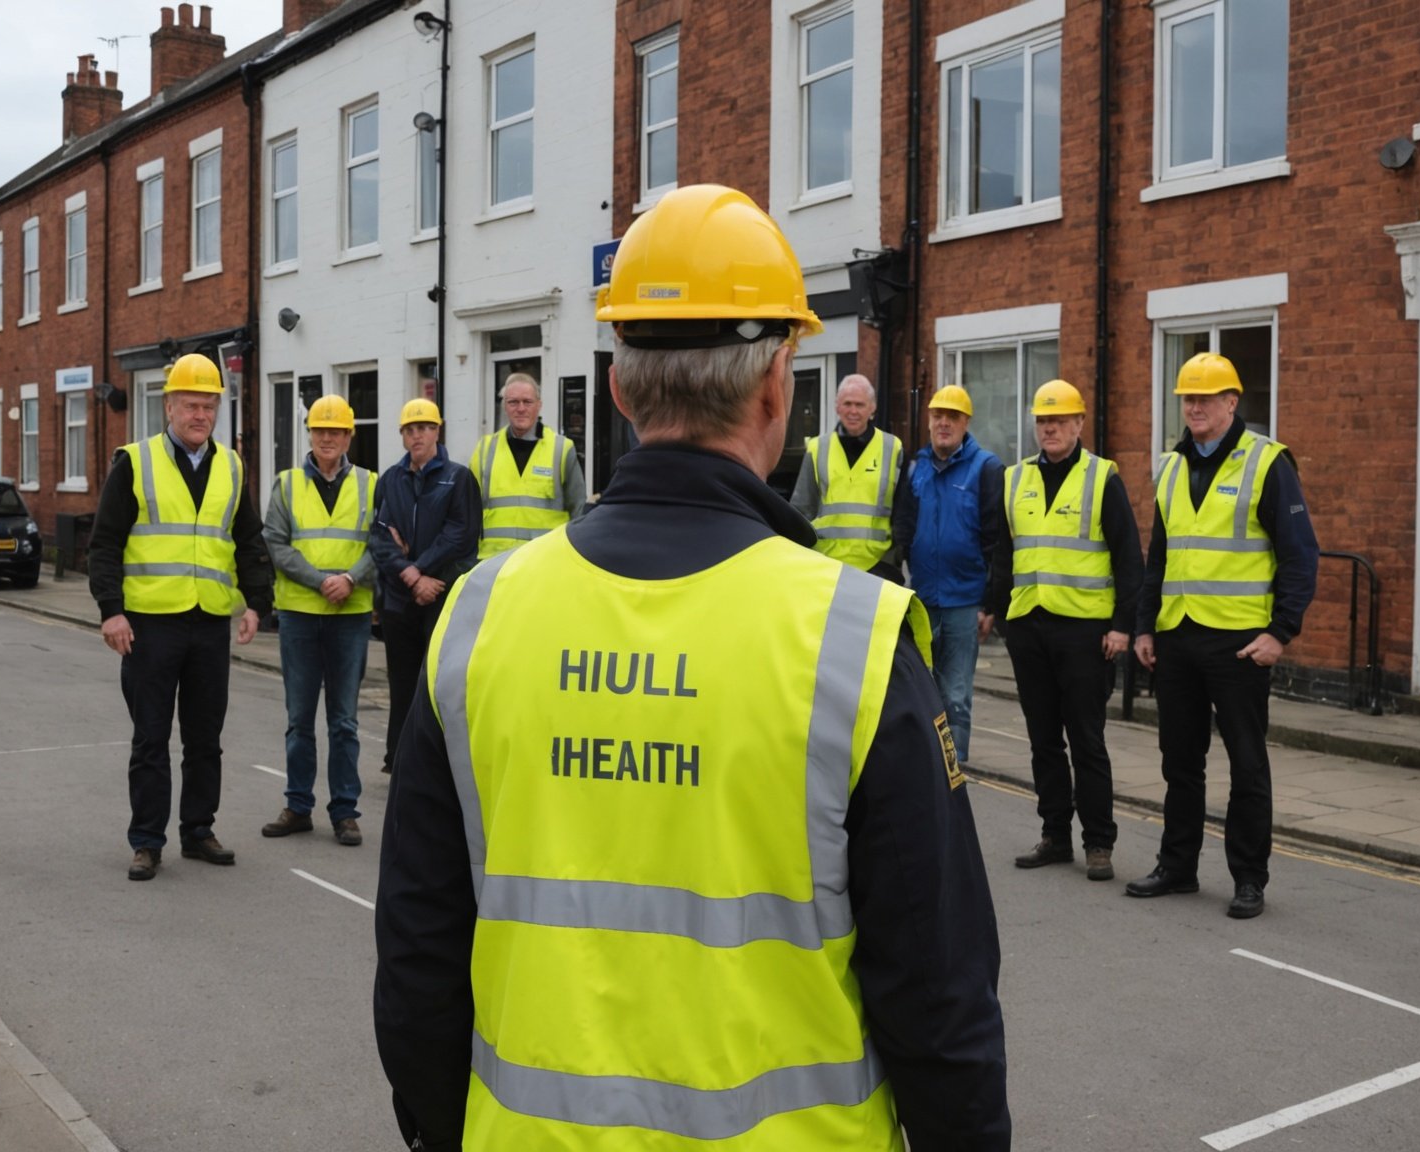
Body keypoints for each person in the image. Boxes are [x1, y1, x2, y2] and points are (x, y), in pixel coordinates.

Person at [374, 184, 1009, 1151]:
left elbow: (418, 953)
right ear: (777, 388)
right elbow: (941, 995)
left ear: (621, 390)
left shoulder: (474, 621)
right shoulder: (856, 640)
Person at [1129, 352, 1318, 920]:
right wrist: (1145, 625)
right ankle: (1178, 866)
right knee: (1180, 763)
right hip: (1177, 636)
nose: (1195, 408)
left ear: (1232, 402)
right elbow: (1159, 557)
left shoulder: (1267, 462)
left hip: (1240, 644)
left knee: (1246, 763)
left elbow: (1300, 555)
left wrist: (1281, 633)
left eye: (1206, 398)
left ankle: (1249, 878)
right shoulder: (1171, 466)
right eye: (1188, 398)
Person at [87, 353, 273, 882]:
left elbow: (248, 539)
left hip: (209, 622)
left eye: (209, 406)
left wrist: (257, 603)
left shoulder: (231, 466)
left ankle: (198, 830)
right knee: (150, 738)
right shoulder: (135, 462)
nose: (200, 415)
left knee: (205, 738)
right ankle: (147, 841)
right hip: (150, 624)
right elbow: (105, 543)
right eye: (191, 405)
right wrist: (111, 611)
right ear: (168, 406)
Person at [985, 380, 1143, 882]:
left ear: (1078, 423)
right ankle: (1055, 835)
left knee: (1086, 740)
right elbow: (1003, 552)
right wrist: (997, 611)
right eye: (1042, 421)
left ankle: (1099, 843)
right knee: (1043, 740)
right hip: (1028, 629)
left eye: (1058, 420)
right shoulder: (1014, 479)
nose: (1049, 429)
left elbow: (1128, 557)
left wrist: (1122, 627)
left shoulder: (1102, 479)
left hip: (1084, 633)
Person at [261, 395, 376, 847]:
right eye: (320, 430)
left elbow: (382, 544)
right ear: (309, 434)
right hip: (299, 616)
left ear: (349, 436)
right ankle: (298, 806)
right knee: (299, 719)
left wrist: (350, 579)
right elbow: (275, 543)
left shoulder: (370, 484)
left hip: (351, 616)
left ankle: (345, 812)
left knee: (344, 722)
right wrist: (321, 580)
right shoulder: (287, 484)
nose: (327, 438)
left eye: (336, 431)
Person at [896, 384, 1004, 766]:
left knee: (956, 695)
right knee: (921, 692)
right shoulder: (915, 467)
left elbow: (996, 541)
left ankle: (954, 771)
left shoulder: (987, 468)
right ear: (928, 421)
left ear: (966, 423)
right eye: (937, 416)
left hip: (965, 603)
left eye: (952, 417)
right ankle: (928, 769)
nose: (944, 423)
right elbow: (904, 528)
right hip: (923, 600)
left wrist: (989, 604)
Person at [369, 398, 479, 775]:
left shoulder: (458, 478)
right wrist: (411, 575)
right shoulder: (390, 480)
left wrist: (419, 568)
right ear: (402, 436)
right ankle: (397, 759)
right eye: (410, 430)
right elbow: (379, 538)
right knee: (401, 684)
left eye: (425, 428)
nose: (417, 436)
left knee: (437, 684)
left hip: (440, 598)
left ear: (437, 431)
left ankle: (436, 765)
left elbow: (460, 536)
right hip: (400, 601)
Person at [790, 374, 908, 581]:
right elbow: (801, 511)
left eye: (860, 405)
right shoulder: (817, 449)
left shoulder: (892, 448)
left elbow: (903, 512)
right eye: (847, 404)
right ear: (837, 406)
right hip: (827, 568)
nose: (853, 411)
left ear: (872, 408)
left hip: (879, 568)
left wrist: (894, 557)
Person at [468, 372, 587, 557]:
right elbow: (468, 511)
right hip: (494, 562)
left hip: (544, 560)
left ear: (539, 405)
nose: (521, 408)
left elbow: (578, 511)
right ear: (504, 406)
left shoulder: (561, 449)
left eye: (527, 402)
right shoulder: (484, 449)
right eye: (513, 402)